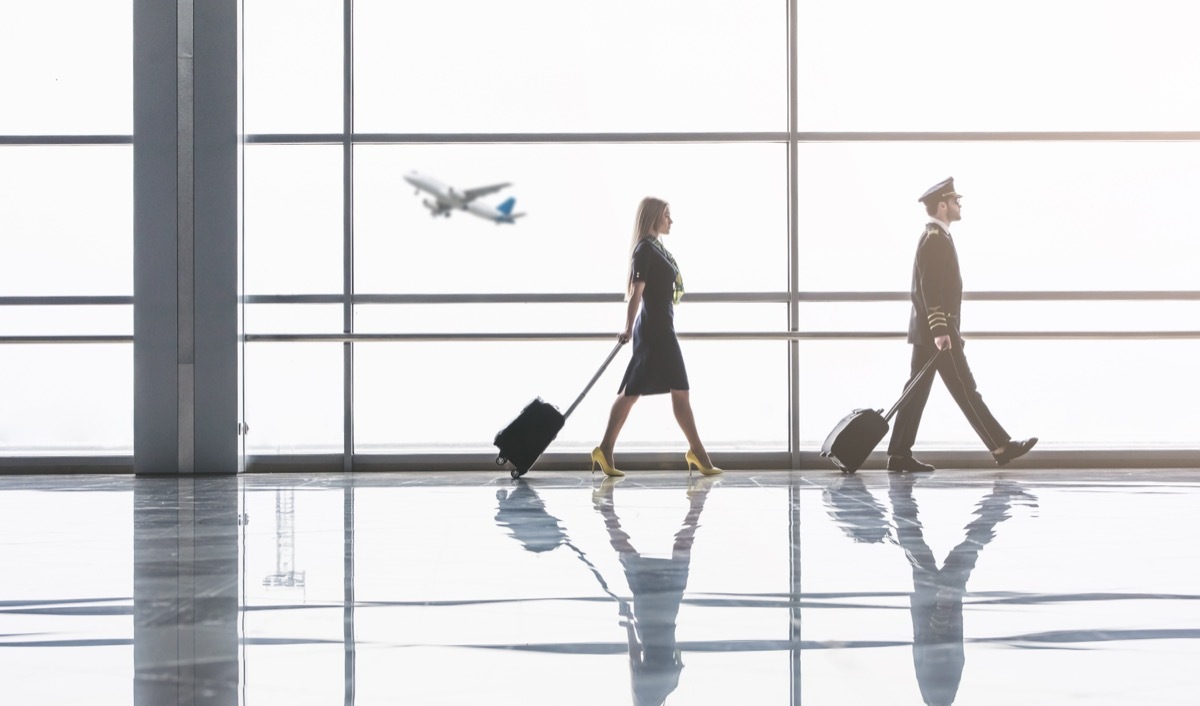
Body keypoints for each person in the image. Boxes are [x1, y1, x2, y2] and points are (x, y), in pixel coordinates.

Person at [886, 177, 1038, 473]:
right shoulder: (934, 239)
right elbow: (929, 289)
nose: (959, 205)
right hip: (938, 335)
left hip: (931, 333)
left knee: (918, 392)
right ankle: (1001, 446)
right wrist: (942, 331)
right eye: (956, 201)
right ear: (942, 205)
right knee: (965, 389)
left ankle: (898, 454)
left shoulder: (936, 236)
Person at [592, 197, 721, 477]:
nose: (670, 221)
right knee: (664, 391)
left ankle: (605, 449)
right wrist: (627, 327)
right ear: (653, 218)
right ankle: (699, 454)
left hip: (662, 328)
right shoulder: (644, 250)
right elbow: (636, 293)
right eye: (666, 216)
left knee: (639, 392)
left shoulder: (657, 248)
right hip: (654, 332)